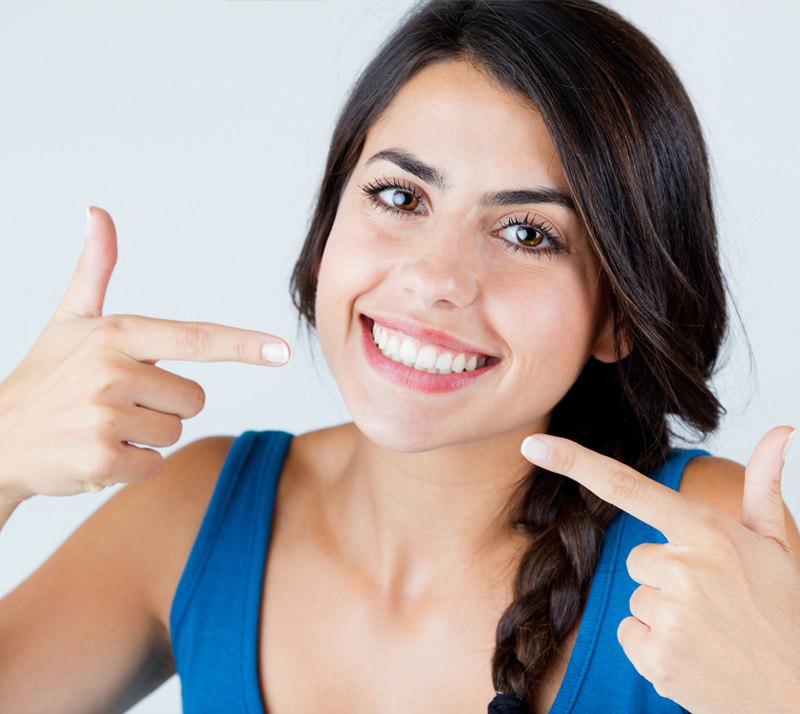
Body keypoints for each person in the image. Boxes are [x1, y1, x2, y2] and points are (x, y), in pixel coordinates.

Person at [0, 1, 798, 712]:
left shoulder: (710, 550)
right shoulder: (192, 515)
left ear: (620, 314)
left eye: (527, 234)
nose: (434, 280)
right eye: (400, 197)